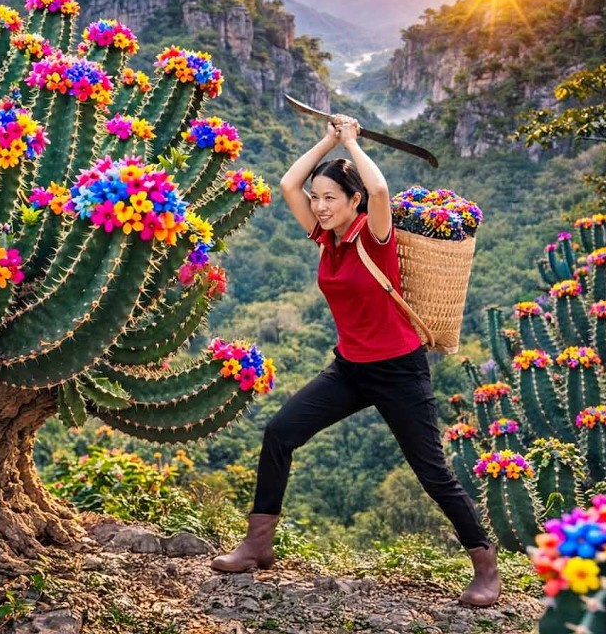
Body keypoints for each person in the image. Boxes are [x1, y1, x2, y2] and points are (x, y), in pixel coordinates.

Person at [209, 114, 500, 608]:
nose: (319, 206)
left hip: (399, 370)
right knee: (280, 433)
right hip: (349, 369)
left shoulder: (375, 235)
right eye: (317, 198)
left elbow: (381, 189)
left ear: (354, 201)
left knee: (432, 473)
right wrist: (328, 138)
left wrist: (351, 142)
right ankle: (258, 544)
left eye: (331, 198)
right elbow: (287, 183)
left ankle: (485, 567)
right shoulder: (326, 237)